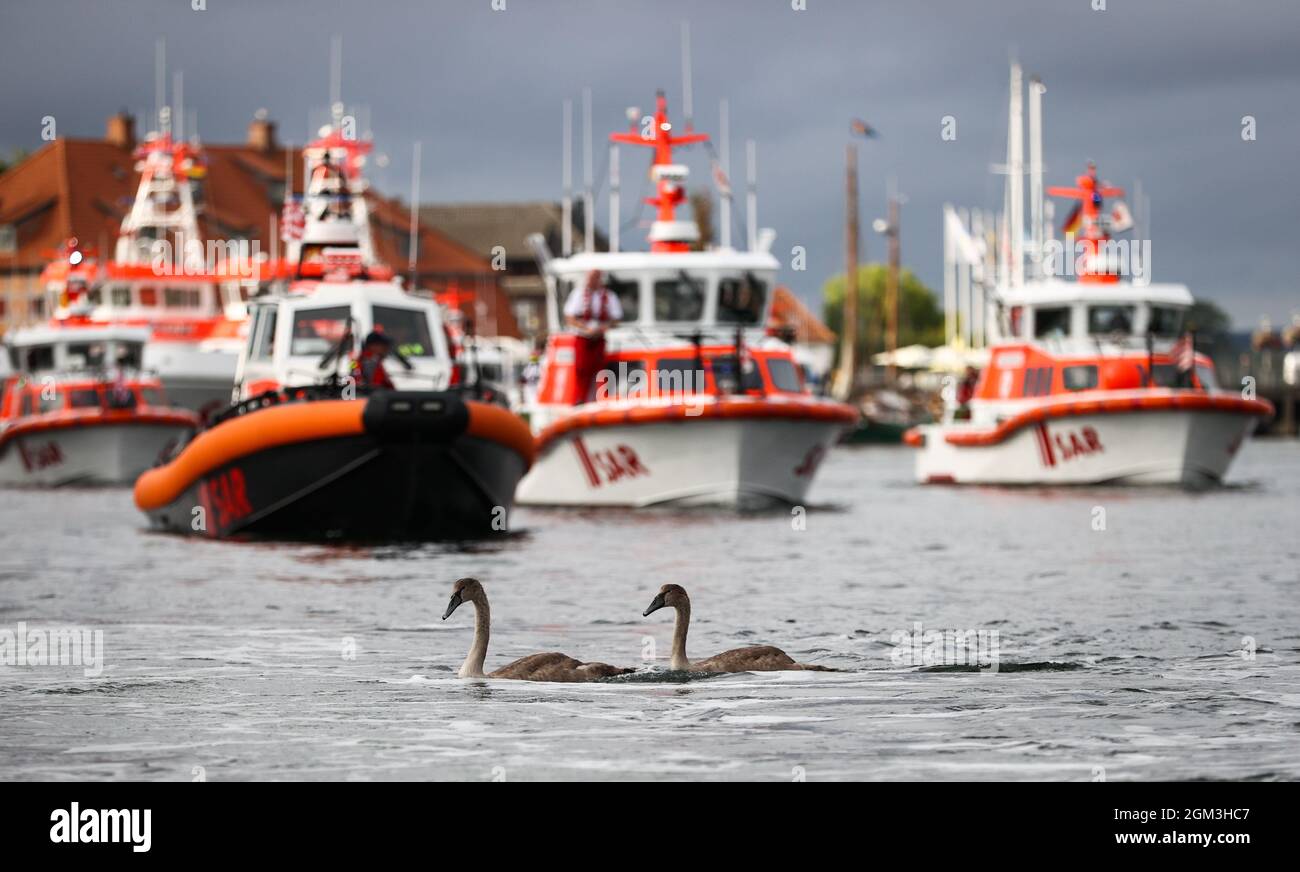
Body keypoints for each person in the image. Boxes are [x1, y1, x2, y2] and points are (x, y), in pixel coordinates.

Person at [563, 270, 622, 401]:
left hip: (599, 338)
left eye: (594, 278)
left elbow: (616, 319)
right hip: (582, 338)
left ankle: (599, 398)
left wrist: (601, 329)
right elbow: (570, 317)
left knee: (599, 369)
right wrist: (586, 329)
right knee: (581, 369)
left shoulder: (609, 296)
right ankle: (579, 399)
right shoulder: (578, 295)